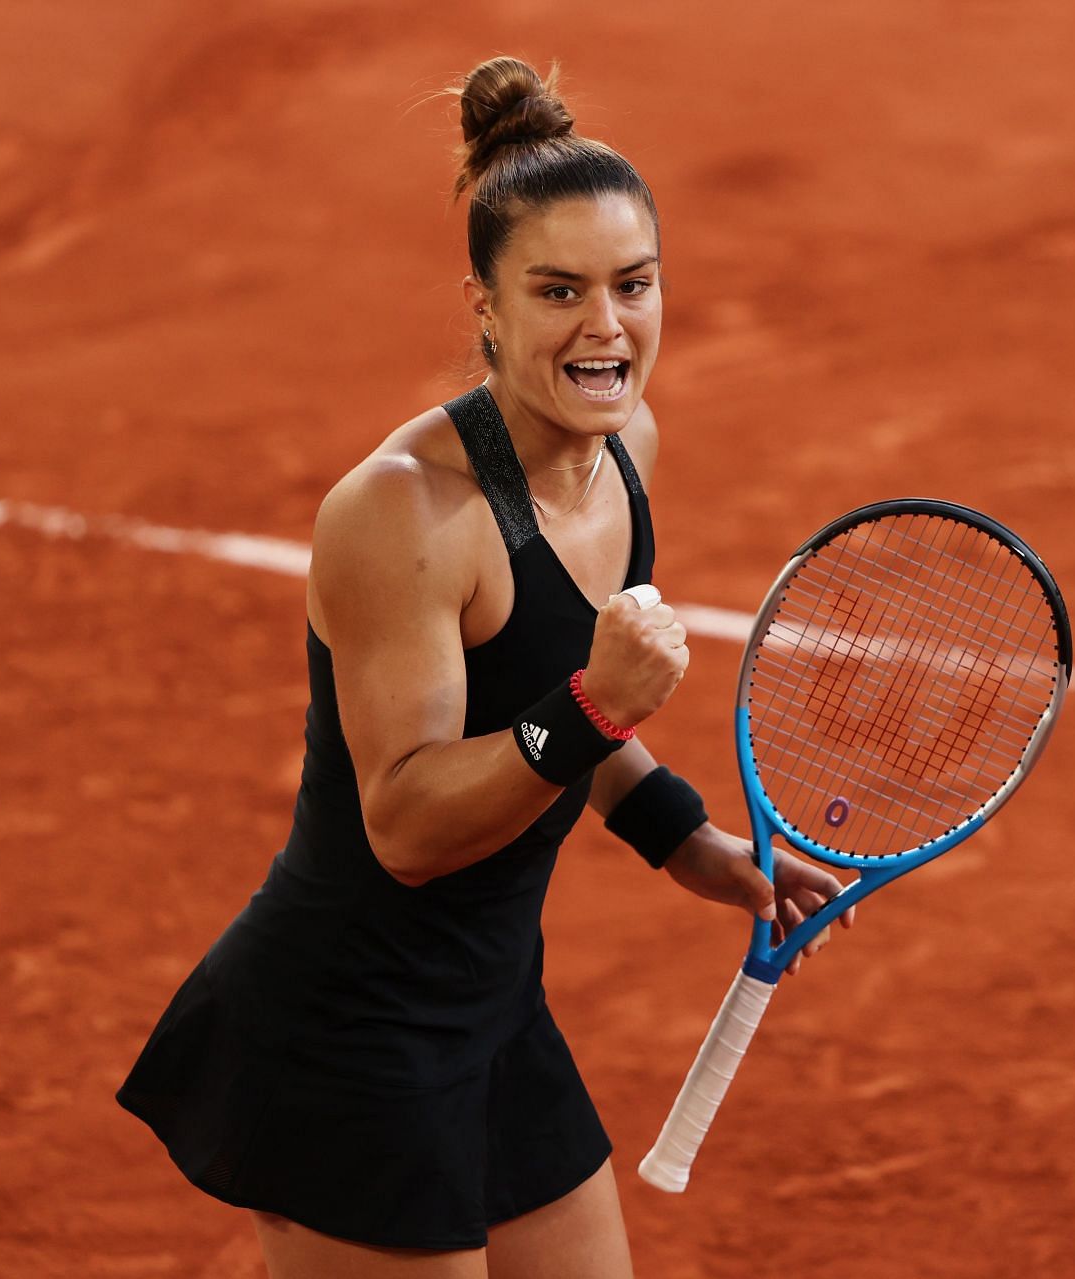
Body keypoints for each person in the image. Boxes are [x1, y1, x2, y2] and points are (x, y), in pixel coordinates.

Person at [117, 55, 851, 1278]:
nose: (606, 328)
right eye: (558, 291)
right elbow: (406, 820)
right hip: (351, 1030)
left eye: (635, 285)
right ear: (486, 308)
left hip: (493, 1005)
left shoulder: (626, 449)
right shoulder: (405, 516)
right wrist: (595, 705)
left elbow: (551, 704)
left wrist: (690, 842)